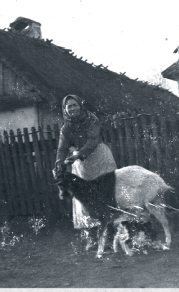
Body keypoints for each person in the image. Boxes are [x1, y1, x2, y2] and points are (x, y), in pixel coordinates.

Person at [55, 95, 117, 250]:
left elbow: (92, 141)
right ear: (65, 110)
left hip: (101, 161)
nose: (73, 108)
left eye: (75, 105)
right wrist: (58, 164)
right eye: (69, 106)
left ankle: (110, 236)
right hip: (83, 165)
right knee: (84, 201)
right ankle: (92, 238)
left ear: (80, 106)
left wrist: (77, 155)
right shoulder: (66, 128)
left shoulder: (92, 120)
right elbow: (62, 148)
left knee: (106, 197)